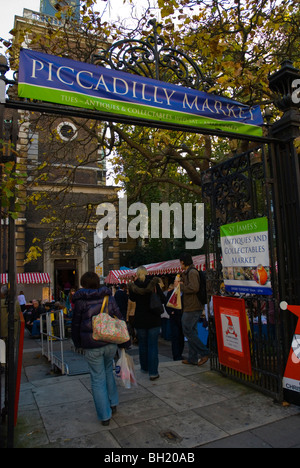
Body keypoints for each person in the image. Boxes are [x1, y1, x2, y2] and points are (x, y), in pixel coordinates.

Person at [71, 271, 128, 426]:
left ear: (83, 284)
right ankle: (113, 402)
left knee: (97, 378)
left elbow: (75, 324)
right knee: (108, 370)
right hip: (110, 342)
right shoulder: (108, 297)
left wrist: (77, 343)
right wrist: (124, 338)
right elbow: (119, 317)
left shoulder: (81, 301)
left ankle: (104, 416)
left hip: (92, 343)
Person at [128, 266, 166, 381]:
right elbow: (163, 299)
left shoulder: (134, 286)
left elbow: (132, 299)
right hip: (153, 319)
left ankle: (144, 368)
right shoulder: (154, 284)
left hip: (140, 319)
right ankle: (153, 372)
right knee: (153, 345)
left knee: (143, 345)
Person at [174, 253, 209, 367]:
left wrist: (180, 286)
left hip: (193, 306)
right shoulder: (188, 272)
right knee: (192, 332)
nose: (180, 265)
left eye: (180, 263)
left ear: (183, 262)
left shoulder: (193, 272)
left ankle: (204, 352)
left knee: (187, 330)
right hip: (190, 306)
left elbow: (194, 288)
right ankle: (193, 358)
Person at [165, 283, 185, 361]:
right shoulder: (171, 293)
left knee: (181, 337)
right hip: (174, 317)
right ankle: (176, 355)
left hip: (182, 317)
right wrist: (171, 312)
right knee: (175, 337)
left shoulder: (184, 293)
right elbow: (167, 304)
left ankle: (180, 353)